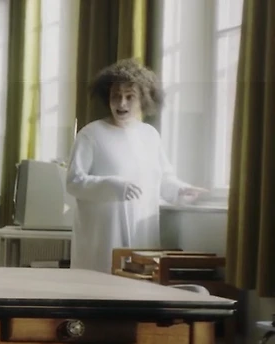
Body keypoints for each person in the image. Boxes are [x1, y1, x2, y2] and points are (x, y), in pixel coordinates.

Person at [65, 59, 208, 274]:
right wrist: (112, 186)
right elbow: (74, 182)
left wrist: (181, 190)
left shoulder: (149, 135)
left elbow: (162, 178)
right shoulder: (91, 134)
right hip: (102, 239)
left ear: (143, 99)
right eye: (116, 96)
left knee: (138, 284)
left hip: (142, 235)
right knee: (101, 285)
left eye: (129, 96)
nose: (121, 103)